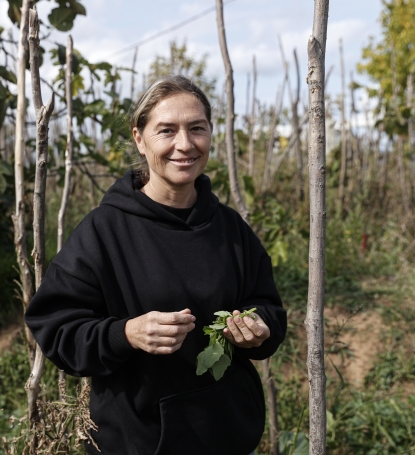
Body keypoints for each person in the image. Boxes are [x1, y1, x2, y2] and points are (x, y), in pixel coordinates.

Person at [25, 75, 287, 455]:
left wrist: (260, 328)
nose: (185, 144)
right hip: (138, 439)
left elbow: (270, 308)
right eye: (167, 130)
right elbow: (55, 327)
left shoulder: (230, 229)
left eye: (197, 129)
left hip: (226, 435)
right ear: (139, 138)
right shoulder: (105, 231)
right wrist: (126, 333)